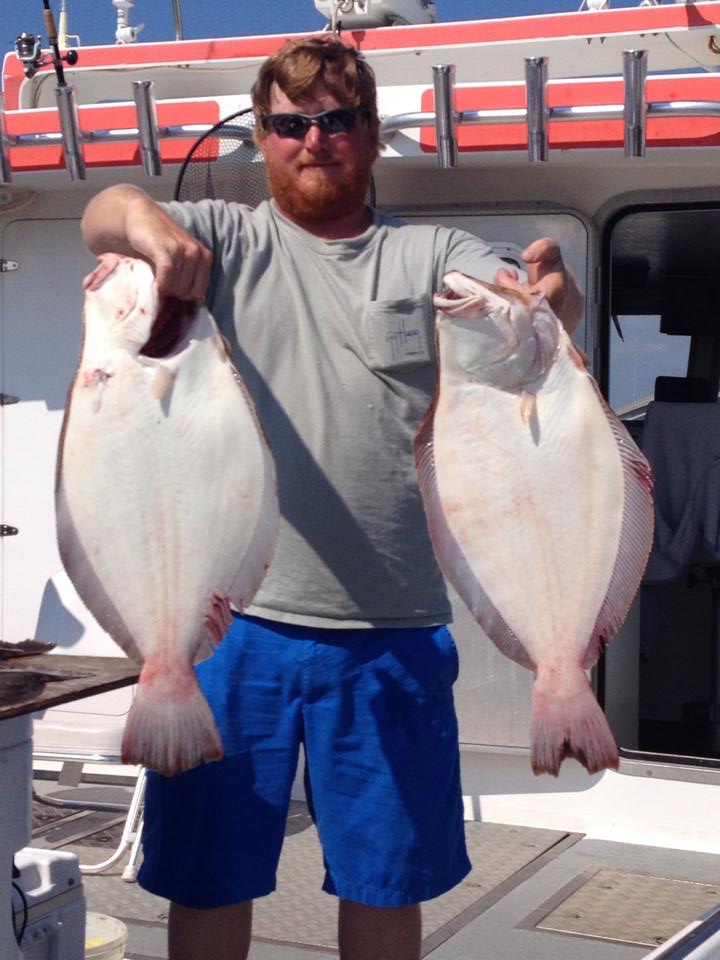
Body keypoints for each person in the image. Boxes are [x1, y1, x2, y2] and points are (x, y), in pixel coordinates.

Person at [81, 36, 583, 960]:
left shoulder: (429, 253)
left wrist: (549, 300)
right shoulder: (223, 238)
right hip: (229, 629)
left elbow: (517, 296)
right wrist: (148, 229)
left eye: (340, 120)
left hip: (393, 630)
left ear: (372, 134)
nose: (315, 140)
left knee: (386, 884)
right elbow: (105, 213)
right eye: (291, 125)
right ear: (263, 137)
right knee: (208, 878)